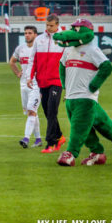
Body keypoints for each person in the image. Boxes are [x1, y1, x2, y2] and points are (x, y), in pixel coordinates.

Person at [54, 19, 112, 166]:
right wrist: (64, 84)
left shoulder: (92, 49)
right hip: (70, 97)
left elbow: (107, 66)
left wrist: (94, 85)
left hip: (85, 97)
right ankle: (97, 153)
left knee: (78, 127)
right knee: (85, 129)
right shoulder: (68, 49)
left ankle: (70, 154)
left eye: (77, 29)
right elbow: (62, 64)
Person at [28, 14, 66, 153]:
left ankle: (50, 143)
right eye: (47, 25)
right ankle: (60, 135)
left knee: (51, 110)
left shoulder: (63, 39)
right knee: (46, 111)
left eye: (51, 25)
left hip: (57, 80)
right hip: (42, 81)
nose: (48, 28)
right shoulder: (39, 39)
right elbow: (33, 59)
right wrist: (29, 77)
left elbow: (67, 62)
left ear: (57, 25)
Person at [9, 26, 43, 149]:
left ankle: (26, 138)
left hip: (36, 84)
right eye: (25, 33)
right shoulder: (20, 48)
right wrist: (17, 73)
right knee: (32, 112)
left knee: (31, 110)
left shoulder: (40, 49)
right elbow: (12, 61)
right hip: (23, 85)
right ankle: (38, 139)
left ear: (35, 35)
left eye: (30, 33)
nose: (27, 35)